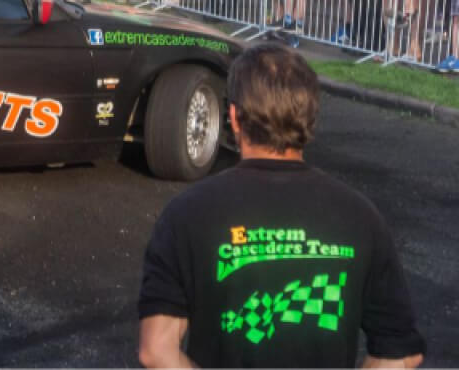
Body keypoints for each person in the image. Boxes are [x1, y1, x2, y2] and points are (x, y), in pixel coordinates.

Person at [138, 43, 426, 369]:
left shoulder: (186, 214)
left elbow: (156, 350)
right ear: (310, 118)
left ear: (234, 117)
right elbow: (401, 352)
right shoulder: (361, 217)